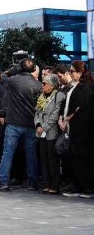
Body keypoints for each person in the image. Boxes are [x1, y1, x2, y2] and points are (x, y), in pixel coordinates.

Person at [0, 58, 42, 192]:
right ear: (33, 69)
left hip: (14, 123)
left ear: (20, 68)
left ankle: (3, 182)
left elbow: (2, 76)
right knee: (31, 154)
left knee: (8, 153)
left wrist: (11, 70)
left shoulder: (13, 80)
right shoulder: (38, 84)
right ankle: (33, 182)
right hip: (31, 123)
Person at [59, 61, 93, 198]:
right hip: (74, 127)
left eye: (72, 71)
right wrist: (63, 118)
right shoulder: (75, 86)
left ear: (80, 72)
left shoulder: (86, 87)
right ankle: (79, 184)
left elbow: (80, 107)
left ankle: (85, 186)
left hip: (83, 128)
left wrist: (67, 118)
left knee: (81, 157)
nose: (70, 73)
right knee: (75, 157)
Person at [34, 74, 65, 195]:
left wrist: (44, 127)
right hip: (40, 132)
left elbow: (55, 115)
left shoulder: (59, 96)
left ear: (52, 85)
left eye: (44, 83)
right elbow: (37, 113)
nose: (42, 85)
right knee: (44, 159)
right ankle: (47, 184)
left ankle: (55, 185)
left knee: (53, 160)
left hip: (51, 132)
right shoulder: (41, 96)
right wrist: (38, 125)